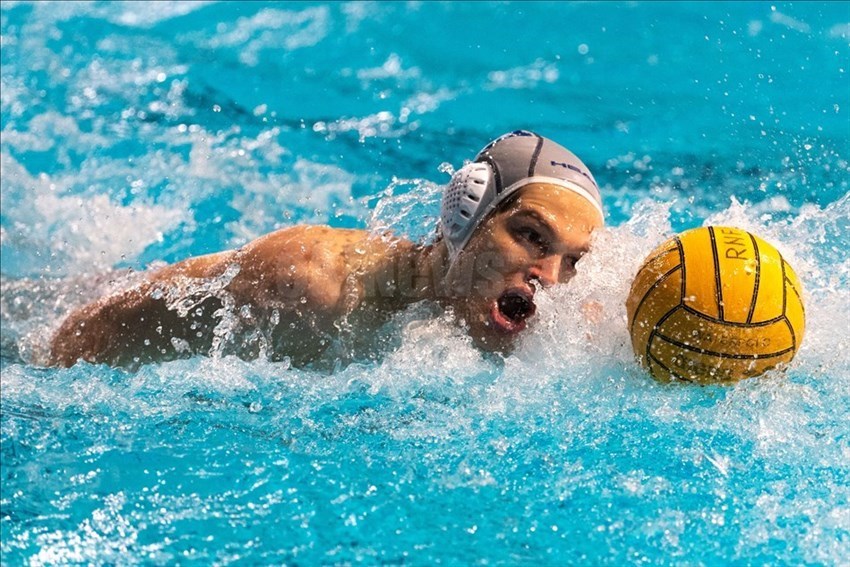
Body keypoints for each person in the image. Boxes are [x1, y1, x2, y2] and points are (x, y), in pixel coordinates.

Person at [47, 130, 605, 368]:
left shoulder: (560, 327)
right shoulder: (309, 284)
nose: (549, 277)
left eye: (572, 258)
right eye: (531, 236)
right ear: (466, 215)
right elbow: (82, 337)